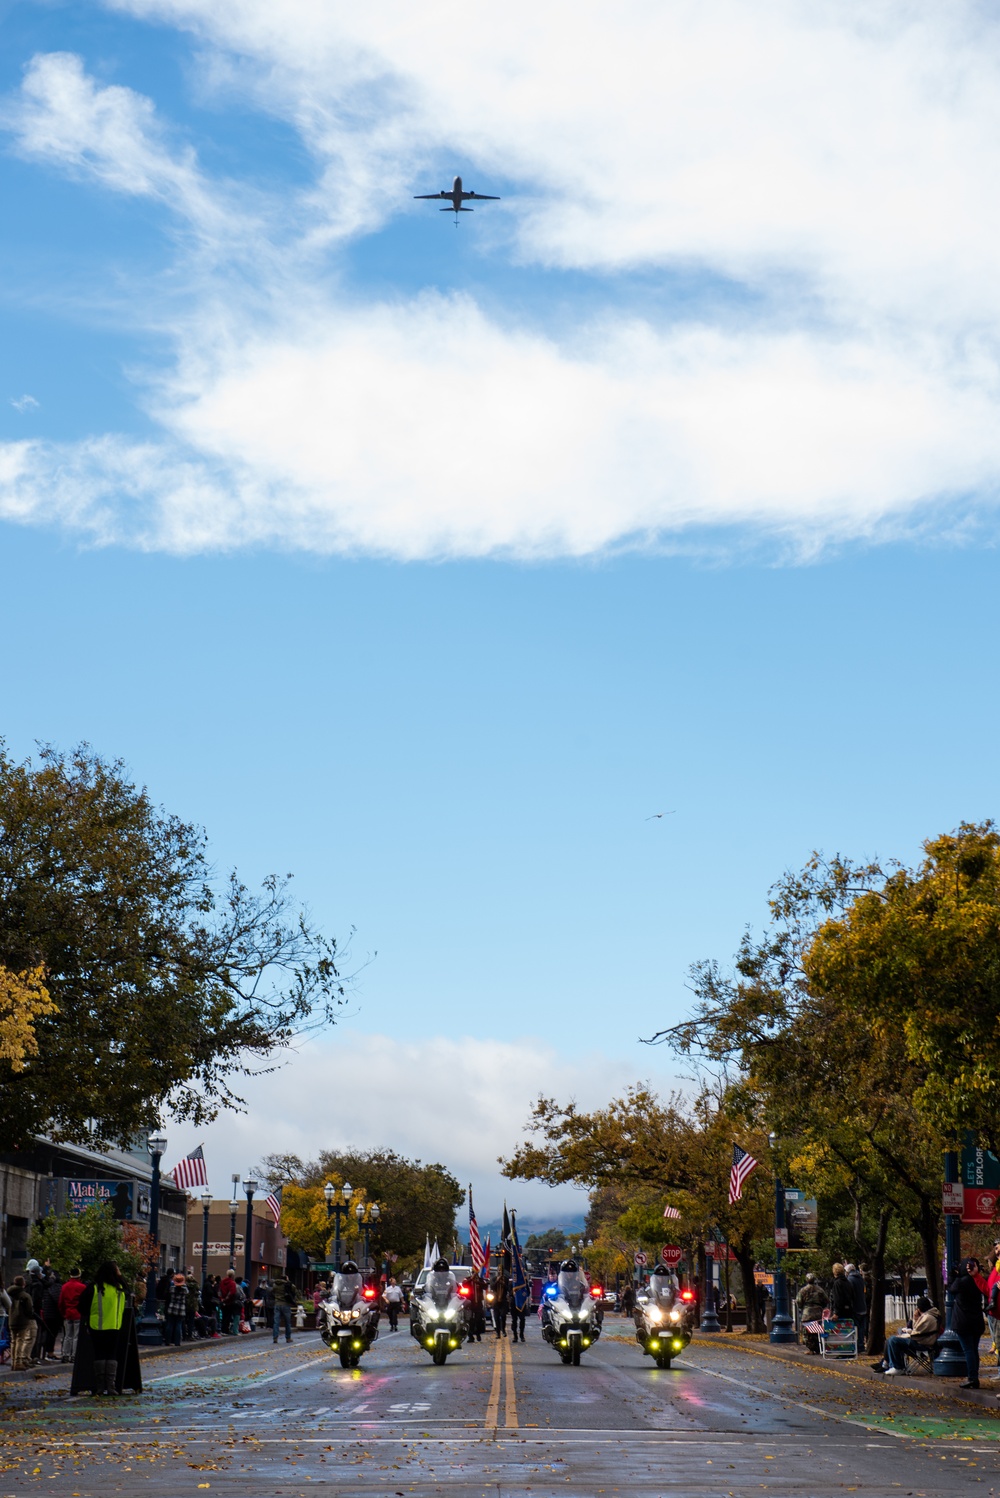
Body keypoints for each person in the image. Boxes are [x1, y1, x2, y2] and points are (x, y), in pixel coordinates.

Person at [79, 1261, 126, 1396]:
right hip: (114, 1325)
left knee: (99, 1354)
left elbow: (82, 1306)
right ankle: (111, 1385)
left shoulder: (94, 1287)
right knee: (111, 1355)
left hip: (96, 1326)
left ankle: (100, 1386)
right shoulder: (119, 1288)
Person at [876, 1296, 941, 1375]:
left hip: (922, 1343)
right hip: (922, 1340)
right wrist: (915, 1319)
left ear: (919, 1308)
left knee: (893, 1340)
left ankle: (897, 1367)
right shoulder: (929, 1316)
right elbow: (918, 1330)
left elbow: (916, 1333)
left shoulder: (928, 1317)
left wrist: (905, 1334)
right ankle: (888, 1364)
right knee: (891, 1339)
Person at [948, 1256, 986, 1389]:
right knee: (973, 1350)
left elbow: (951, 1289)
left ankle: (972, 1377)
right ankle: (974, 1376)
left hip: (963, 1322)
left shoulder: (962, 1281)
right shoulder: (976, 1281)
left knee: (968, 1350)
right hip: (976, 1321)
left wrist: (953, 1275)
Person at [8, 1275, 37, 1371]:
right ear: (23, 1284)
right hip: (22, 1320)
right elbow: (29, 1310)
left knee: (13, 1341)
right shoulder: (25, 1295)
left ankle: (13, 1362)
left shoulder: (9, 1293)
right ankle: (18, 1362)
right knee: (20, 1340)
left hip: (12, 1319)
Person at [58, 1268, 87, 1364]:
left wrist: (63, 1313)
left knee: (67, 1335)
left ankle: (65, 1354)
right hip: (78, 1314)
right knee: (76, 1336)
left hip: (68, 1313)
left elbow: (61, 1302)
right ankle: (74, 1355)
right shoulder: (82, 1287)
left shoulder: (65, 1286)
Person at [796, 1274, 828, 1354]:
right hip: (818, 1312)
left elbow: (799, 1302)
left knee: (807, 1331)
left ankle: (810, 1349)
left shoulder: (803, 1290)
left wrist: (803, 1307)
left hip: (807, 1313)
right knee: (817, 1330)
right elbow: (826, 1300)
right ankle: (819, 1347)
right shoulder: (820, 1290)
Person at [39, 1269, 64, 1363]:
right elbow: (58, 1300)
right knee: (52, 1334)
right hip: (54, 1314)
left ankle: (46, 1352)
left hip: (46, 1313)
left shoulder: (46, 1287)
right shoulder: (56, 1287)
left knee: (48, 1333)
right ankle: (50, 1352)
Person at [845, 1263, 868, 1351]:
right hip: (863, 1306)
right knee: (862, 1328)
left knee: (855, 1328)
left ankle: (857, 1346)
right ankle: (861, 1345)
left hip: (855, 1307)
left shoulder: (850, 1280)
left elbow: (850, 1295)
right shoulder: (861, 1279)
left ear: (847, 1271)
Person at [272, 1275, 298, 1344]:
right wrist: (288, 1281)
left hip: (277, 1304)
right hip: (285, 1304)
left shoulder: (275, 1285)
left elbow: (272, 1292)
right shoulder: (287, 1284)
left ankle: (275, 1337)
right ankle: (288, 1338)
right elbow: (294, 1289)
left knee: (276, 1322)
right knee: (287, 1322)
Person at [164, 1272, 188, 1347]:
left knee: (170, 1324)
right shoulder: (185, 1290)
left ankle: (167, 1341)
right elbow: (187, 1294)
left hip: (172, 1307)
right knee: (178, 1325)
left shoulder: (172, 1289)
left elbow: (167, 1296)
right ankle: (177, 1342)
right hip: (181, 1308)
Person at [219, 1270, 241, 1335]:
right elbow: (232, 1292)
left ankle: (223, 1330)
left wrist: (222, 1299)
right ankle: (226, 1330)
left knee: (224, 1316)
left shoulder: (222, 1282)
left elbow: (219, 1291)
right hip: (230, 1302)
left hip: (223, 1302)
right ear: (233, 1275)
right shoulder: (232, 1283)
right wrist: (227, 1299)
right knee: (228, 1317)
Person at [184, 1272, 200, 1340]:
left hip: (185, 1305)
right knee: (191, 1321)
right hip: (193, 1305)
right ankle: (190, 1335)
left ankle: (184, 1335)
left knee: (184, 1321)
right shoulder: (195, 1286)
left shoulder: (185, 1286)